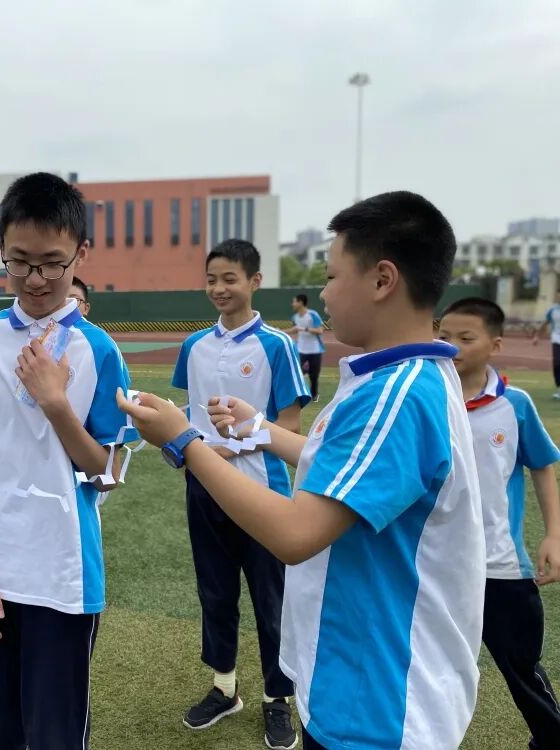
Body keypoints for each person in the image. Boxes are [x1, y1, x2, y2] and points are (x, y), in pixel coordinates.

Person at [119, 191, 484, 750]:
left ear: (382, 279)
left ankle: (271, 696)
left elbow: (295, 535)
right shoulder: (410, 378)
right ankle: (232, 685)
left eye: (333, 276)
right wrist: (261, 428)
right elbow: (341, 465)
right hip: (365, 682)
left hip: (378, 704)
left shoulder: (396, 395)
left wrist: (184, 440)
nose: (324, 293)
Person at [0, 172, 134, 749]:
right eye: (19, 262)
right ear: (2, 251)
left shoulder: (99, 350)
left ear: (81, 254)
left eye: (52, 263)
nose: (35, 279)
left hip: (63, 577)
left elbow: (108, 474)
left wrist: (57, 405)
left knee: (55, 737)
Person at [171, 239, 307, 748]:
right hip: (205, 489)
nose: (219, 288)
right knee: (215, 591)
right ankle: (225, 688)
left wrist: (226, 448)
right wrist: (184, 447)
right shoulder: (194, 346)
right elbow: (189, 415)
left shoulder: (277, 345)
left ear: (254, 281)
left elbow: (290, 425)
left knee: (272, 599)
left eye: (229, 279)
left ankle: (278, 697)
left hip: (262, 490)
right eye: (211, 279)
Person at [438, 297, 560, 750]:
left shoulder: (516, 405)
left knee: (521, 666)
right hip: (437, 568)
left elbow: (542, 465)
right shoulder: (428, 399)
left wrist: (554, 534)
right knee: (433, 666)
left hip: (500, 567)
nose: (452, 346)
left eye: (465, 338)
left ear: (495, 344)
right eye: (444, 336)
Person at [287, 293, 326, 402]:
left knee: (314, 376)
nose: (292, 304)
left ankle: (314, 396)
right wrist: (280, 331)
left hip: (315, 350)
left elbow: (320, 330)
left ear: (300, 302)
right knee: (296, 373)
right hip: (301, 350)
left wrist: (304, 329)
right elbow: (295, 329)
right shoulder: (295, 317)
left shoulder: (312, 314)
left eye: (294, 302)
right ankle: (297, 395)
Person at [531, 290, 560, 399]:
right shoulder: (553, 310)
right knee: (557, 363)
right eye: (558, 296)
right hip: (557, 339)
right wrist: (537, 336)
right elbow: (545, 323)